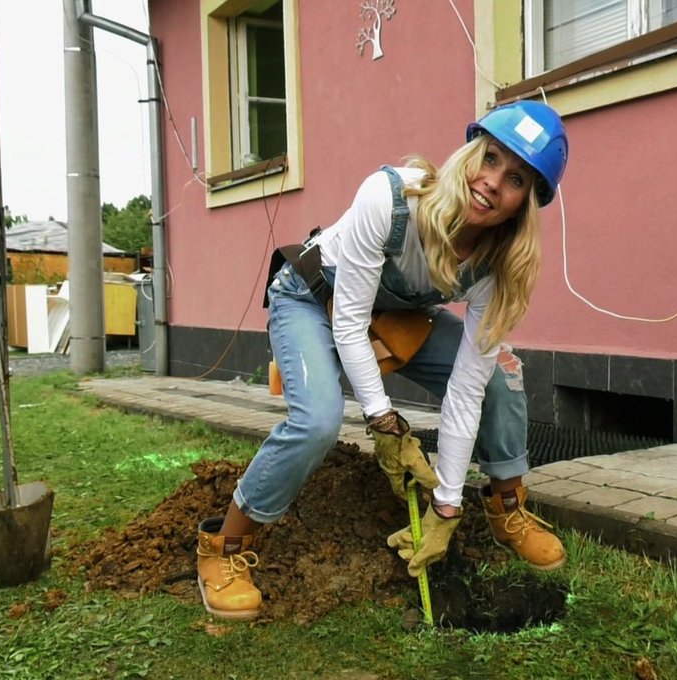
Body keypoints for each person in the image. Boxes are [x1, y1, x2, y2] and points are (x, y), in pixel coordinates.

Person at [196, 100, 570, 620]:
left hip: (391, 310)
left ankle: (506, 509)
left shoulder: (497, 264)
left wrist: (447, 503)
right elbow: (347, 324)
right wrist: (385, 423)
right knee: (318, 421)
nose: (491, 182)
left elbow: (464, 386)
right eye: (490, 159)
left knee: (499, 377)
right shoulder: (392, 198)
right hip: (313, 294)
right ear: (469, 153)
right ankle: (224, 548)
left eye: (515, 180)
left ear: (525, 204)